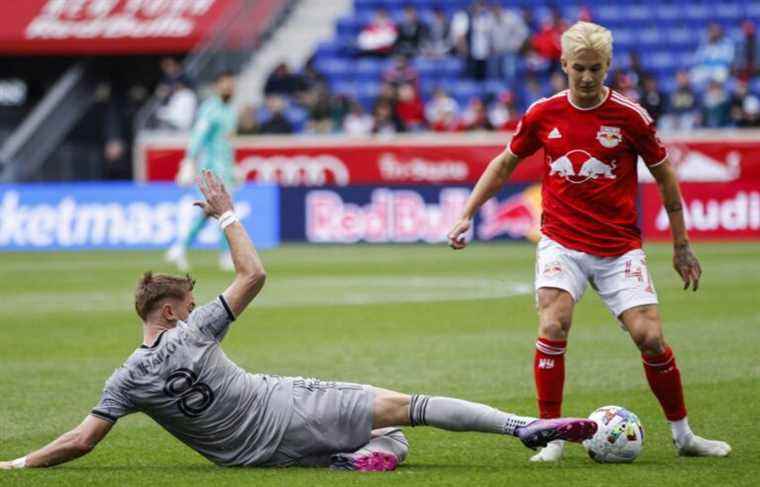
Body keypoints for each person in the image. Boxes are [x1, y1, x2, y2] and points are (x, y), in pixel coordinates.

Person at [0, 171, 597, 472]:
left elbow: (82, 441)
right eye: (187, 297)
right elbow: (254, 275)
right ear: (170, 311)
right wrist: (228, 214)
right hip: (287, 406)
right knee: (407, 407)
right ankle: (523, 426)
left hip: (254, 457)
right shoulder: (195, 330)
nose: (192, 303)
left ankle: (361, 458)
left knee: (393, 442)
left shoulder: (126, 381)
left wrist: (19, 462)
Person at [447, 21, 731, 463]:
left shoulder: (630, 117)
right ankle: (553, 438)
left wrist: (681, 244)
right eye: (578, 68)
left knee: (650, 338)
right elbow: (504, 164)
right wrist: (467, 214)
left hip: (619, 247)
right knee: (552, 325)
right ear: (563, 65)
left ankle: (684, 436)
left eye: (595, 68)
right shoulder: (544, 113)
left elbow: (664, 175)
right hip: (561, 242)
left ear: (608, 66)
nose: (586, 77)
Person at [165, 72, 239, 272]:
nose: (229, 88)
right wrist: (188, 160)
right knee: (225, 210)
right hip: (211, 169)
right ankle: (225, 255)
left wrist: (234, 167)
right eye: (226, 84)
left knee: (210, 213)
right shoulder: (210, 109)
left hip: (224, 168)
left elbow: (228, 142)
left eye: (231, 84)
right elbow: (198, 136)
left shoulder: (230, 111)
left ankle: (180, 247)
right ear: (217, 86)